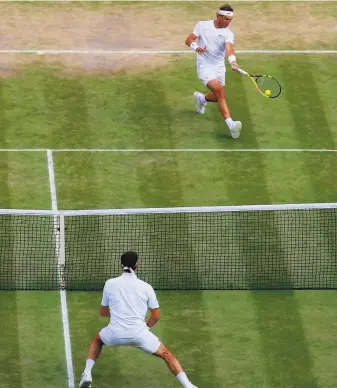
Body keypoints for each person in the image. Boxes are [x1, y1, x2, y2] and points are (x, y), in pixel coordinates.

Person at [79, 251, 198, 388]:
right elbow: (156, 316)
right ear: (137, 265)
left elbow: (103, 312)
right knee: (166, 354)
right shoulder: (146, 287)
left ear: (121, 265)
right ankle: (188, 385)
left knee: (97, 340)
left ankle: (87, 373)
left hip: (114, 333)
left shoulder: (110, 284)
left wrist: (120, 312)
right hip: (140, 334)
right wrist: (145, 328)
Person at [185, 4, 242, 139]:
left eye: (231, 19)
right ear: (219, 16)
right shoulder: (202, 25)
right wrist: (196, 48)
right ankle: (231, 125)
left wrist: (232, 61)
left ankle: (201, 98)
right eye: (227, 19)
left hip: (219, 68)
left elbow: (229, 49)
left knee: (218, 97)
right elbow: (188, 40)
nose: (229, 22)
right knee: (220, 93)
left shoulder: (228, 34)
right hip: (205, 67)